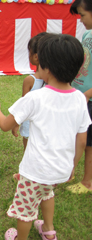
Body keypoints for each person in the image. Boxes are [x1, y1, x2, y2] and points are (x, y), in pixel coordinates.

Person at [0, 33, 91, 240]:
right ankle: (49, 231)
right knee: (47, 193)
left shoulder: (35, 98)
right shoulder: (80, 99)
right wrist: (72, 165)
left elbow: (5, 125)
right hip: (60, 169)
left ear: (47, 67)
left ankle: (20, 237)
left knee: (25, 208)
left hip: (34, 171)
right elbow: (81, 139)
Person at [67, 0, 92, 194]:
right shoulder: (87, 34)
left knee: (89, 142)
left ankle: (87, 181)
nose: (81, 20)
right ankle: (70, 169)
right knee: (73, 134)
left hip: (88, 98)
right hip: (79, 94)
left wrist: (87, 95)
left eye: (83, 15)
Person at [12, 32, 47, 151]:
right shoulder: (56, 79)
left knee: (28, 151)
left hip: (30, 124)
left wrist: (16, 123)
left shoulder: (30, 80)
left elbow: (24, 106)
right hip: (46, 124)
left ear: (35, 56)